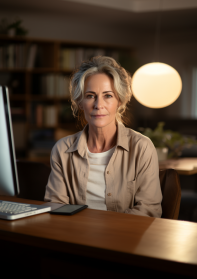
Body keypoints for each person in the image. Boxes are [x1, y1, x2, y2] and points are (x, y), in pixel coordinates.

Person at [45, 56, 162, 217]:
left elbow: (148, 210)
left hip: (124, 238)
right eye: (90, 96)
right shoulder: (62, 149)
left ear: (119, 101)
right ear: (80, 102)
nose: (98, 105)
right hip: (74, 236)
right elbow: (55, 205)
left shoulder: (142, 147)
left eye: (108, 95)